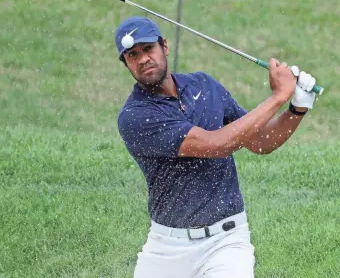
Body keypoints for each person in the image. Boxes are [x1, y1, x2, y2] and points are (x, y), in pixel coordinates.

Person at [115, 16, 316, 278]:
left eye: (147, 49)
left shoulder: (203, 85)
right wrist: (278, 96)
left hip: (227, 241)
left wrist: (297, 108)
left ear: (164, 45)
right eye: (132, 55)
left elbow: (259, 142)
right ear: (126, 63)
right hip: (166, 250)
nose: (143, 59)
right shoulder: (135, 116)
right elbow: (217, 145)